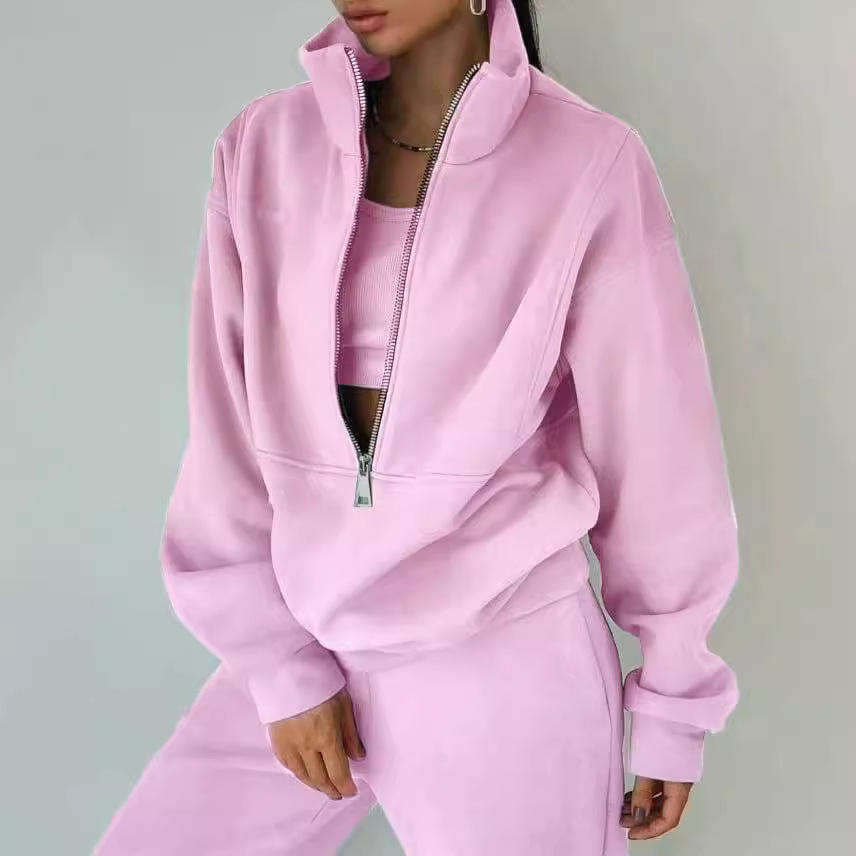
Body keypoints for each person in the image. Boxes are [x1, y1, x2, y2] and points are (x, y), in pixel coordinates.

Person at [95, 0, 740, 853]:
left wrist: (673, 702)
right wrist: (282, 670)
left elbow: (657, 448)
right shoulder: (264, 148)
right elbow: (226, 436)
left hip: (504, 658)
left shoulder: (587, 161)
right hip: (311, 633)